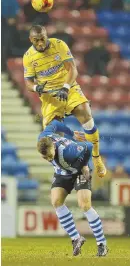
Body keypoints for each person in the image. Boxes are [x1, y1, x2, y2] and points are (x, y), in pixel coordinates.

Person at [23, 24, 106, 178]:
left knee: (86, 114)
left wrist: (66, 87)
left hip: (68, 87)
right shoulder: (28, 57)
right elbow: (28, 83)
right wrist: (36, 88)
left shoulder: (59, 45)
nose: (40, 43)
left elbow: (73, 69)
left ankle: (96, 157)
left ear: (46, 35)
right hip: (49, 96)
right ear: (30, 39)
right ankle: (70, 169)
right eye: (36, 40)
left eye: (42, 39)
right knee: (51, 138)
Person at [37, 119, 108, 257]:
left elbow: (88, 146)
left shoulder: (68, 151)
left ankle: (101, 244)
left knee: (84, 205)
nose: (48, 158)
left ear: (54, 146)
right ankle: (76, 239)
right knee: (56, 202)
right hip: (62, 172)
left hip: (79, 170)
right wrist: (70, 133)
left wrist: (85, 165)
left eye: (49, 155)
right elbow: (56, 123)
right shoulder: (43, 137)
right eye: (45, 157)